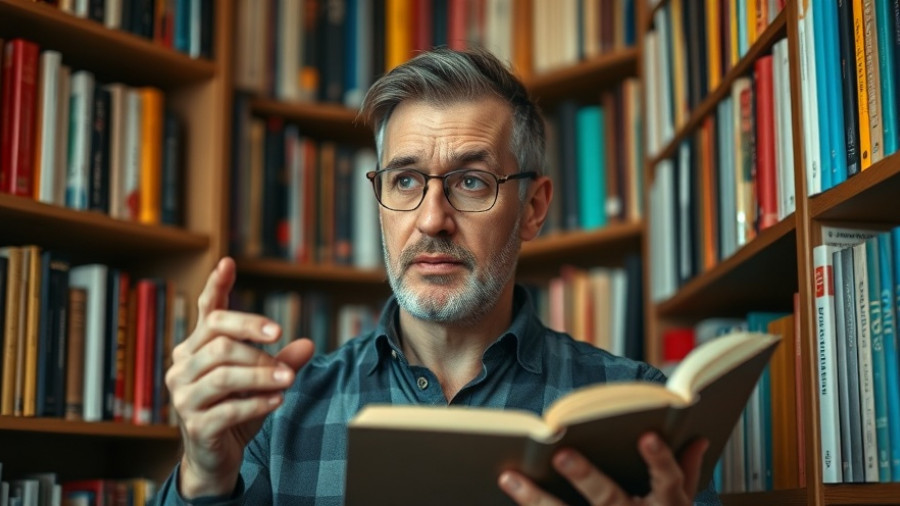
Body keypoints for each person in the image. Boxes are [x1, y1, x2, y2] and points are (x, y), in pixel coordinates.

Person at [156, 47, 720, 505]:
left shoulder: (638, 411)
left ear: (532, 208)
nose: (431, 220)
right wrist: (203, 477)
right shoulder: (274, 416)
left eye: (471, 182)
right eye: (405, 181)